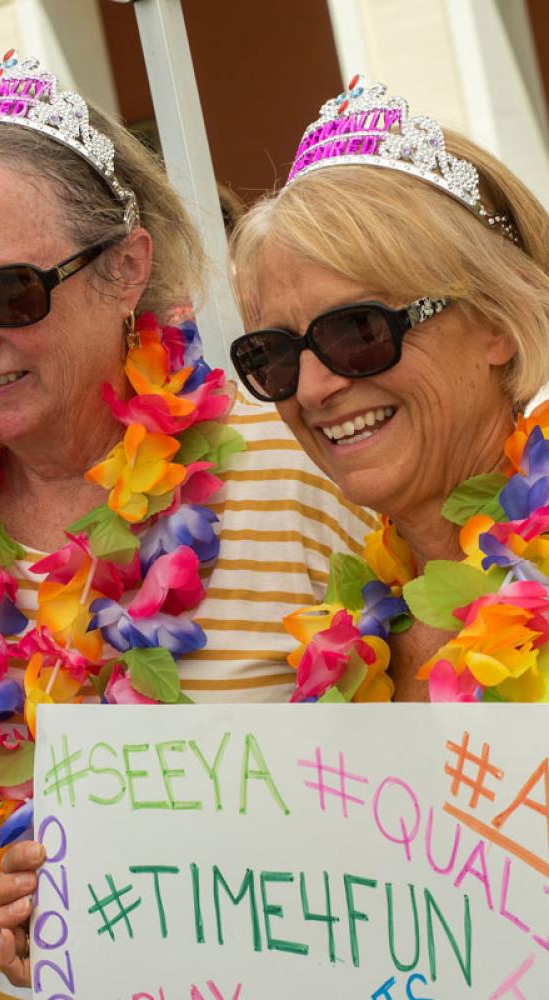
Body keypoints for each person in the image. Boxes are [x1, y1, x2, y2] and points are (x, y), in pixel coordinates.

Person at [0, 52, 374, 996]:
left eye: (11, 292)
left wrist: (161, 898)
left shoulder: (295, 467)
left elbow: (405, 815)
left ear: (126, 269)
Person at [228, 76, 549, 706]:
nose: (313, 389)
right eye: (276, 354)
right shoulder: (351, 637)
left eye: (358, 330)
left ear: (495, 320)